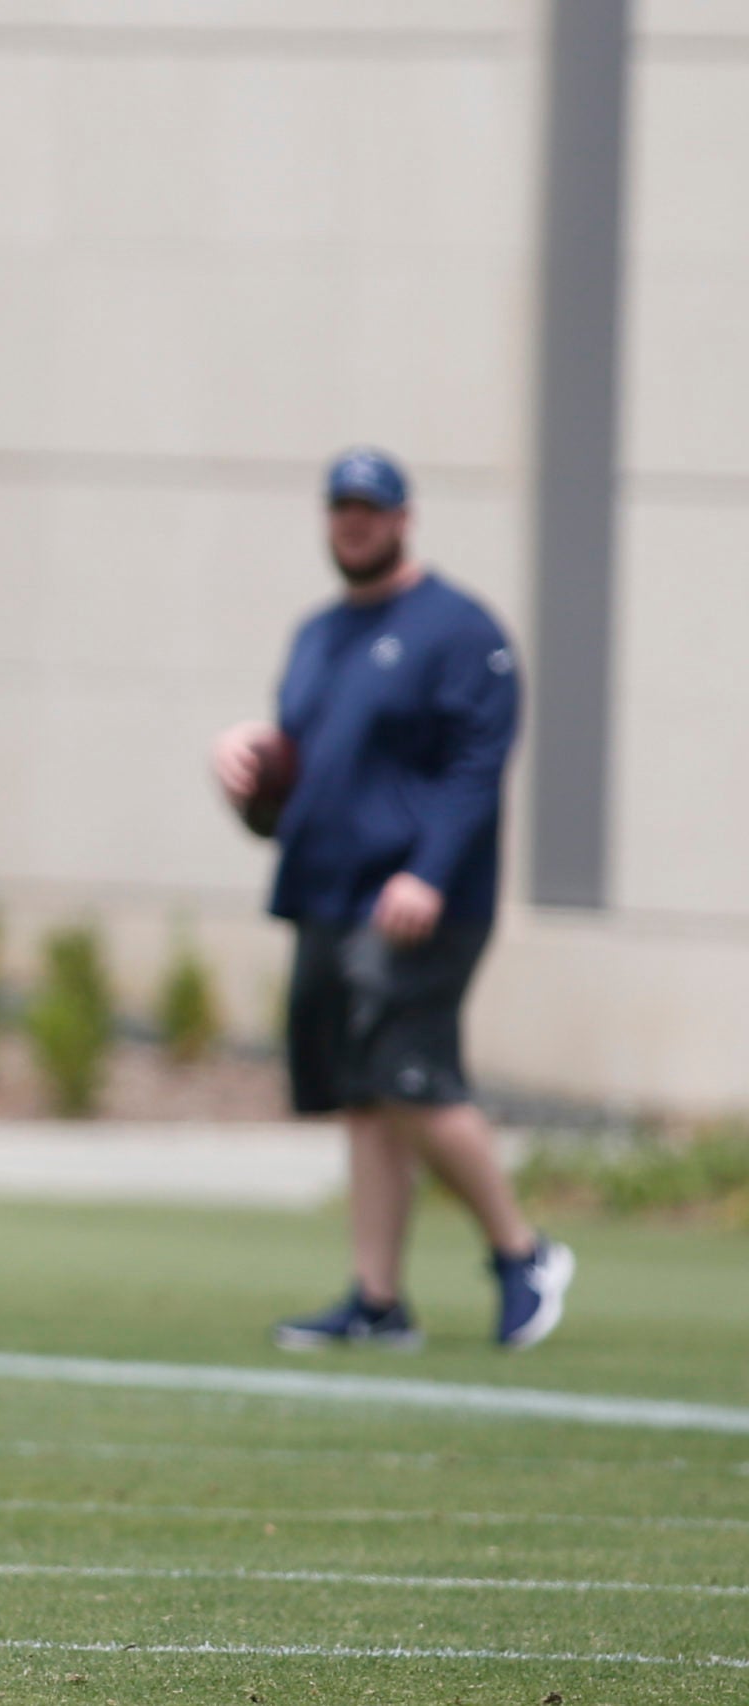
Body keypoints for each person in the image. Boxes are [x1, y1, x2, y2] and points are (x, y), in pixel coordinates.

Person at [211, 447, 572, 1352]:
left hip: (419, 901)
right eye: (341, 508)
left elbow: (478, 765)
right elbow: (303, 785)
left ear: (405, 518)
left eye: (370, 509)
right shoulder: (317, 636)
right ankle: (378, 1301)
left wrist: (431, 871)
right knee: (365, 1096)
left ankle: (523, 1252)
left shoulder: (456, 630)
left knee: (413, 1081)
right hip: (328, 895)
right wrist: (249, 778)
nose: (354, 523)